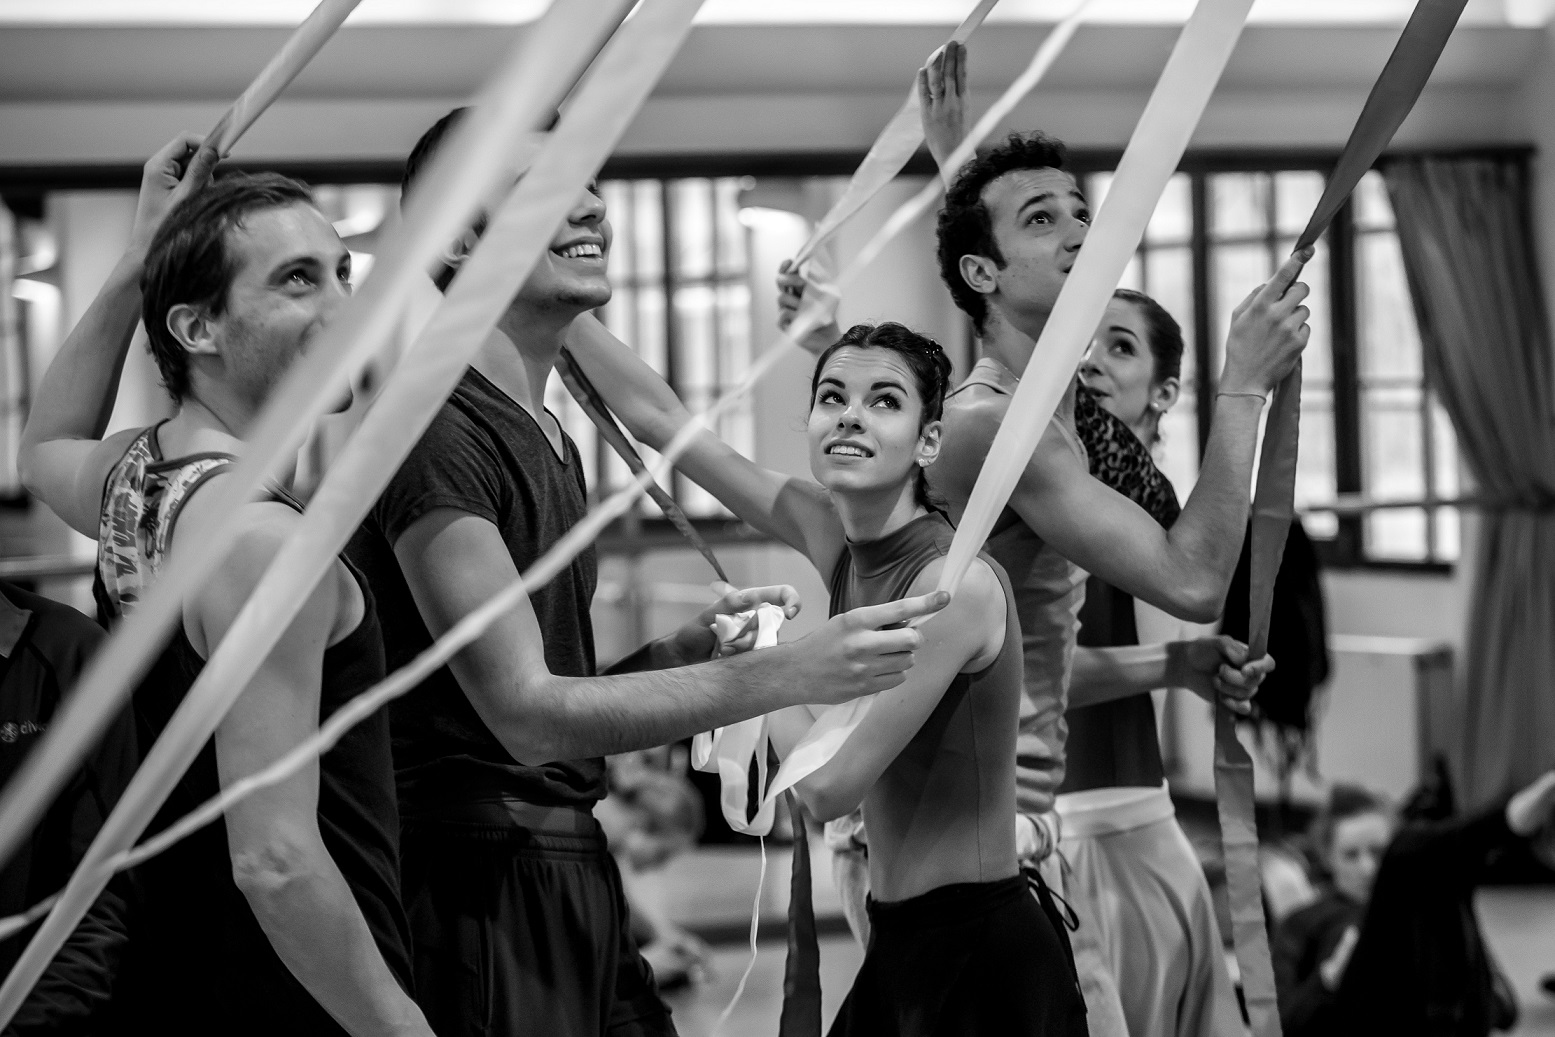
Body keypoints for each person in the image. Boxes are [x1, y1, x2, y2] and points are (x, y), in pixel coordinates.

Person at [345, 110, 949, 1037]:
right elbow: (524, 715)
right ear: (460, 237)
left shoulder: (546, 432)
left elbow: (544, 701)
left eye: (589, 182)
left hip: (563, 859)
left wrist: (681, 651)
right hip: (474, 876)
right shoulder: (435, 432)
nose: (592, 205)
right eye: (547, 187)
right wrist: (788, 672)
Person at [775, 40, 1307, 1032]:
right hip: (960, 849)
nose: (1079, 231)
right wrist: (1243, 382)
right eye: (1044, 218)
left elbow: (996, 306)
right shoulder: (996, 422)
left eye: (1080, 213)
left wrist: (962, 164)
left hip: (1016, 833)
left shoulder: (1064, 414)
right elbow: (1192, 578)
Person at [569, 316, 1095, 1034]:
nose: (850, 415)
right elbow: (662, 420)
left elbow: (829, 785)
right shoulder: (834, 533)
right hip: (900, 934)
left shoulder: (951, 588)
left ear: (928, 441)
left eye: (884, 401)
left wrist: (757, 662)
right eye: (832, 397)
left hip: (979, 951)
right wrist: (546, 292)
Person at [17, 140, 431, 1035]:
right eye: (297, 280)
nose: (345, 306)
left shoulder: (141, 482)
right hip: (292, 999)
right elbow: (274, 861)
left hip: (182, 975)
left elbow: (44, 445)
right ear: (197, 329)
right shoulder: (259, 541)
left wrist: (141, 254)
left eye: (342, 272)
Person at [1053, 288, 1246, 1037]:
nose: (1090, 361)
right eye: (1085, 343)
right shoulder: (1062, 498)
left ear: (1163, 393)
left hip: (1116, 839)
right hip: (1061, 836)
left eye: (1120, 346)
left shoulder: (1158, 526)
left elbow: (1049, 675)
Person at [1275, 773, 1555, 1036]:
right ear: (1326, 857)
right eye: (1351, 855)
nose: (1367, 868)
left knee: (1441, 874)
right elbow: (1279, 1023)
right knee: (1418, 857)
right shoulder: (1303, 921)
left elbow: (1505, 1011)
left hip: (1441, 1020)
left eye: (1378, 853)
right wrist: (1328, 978)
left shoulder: (1430, 904)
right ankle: (1508, 820)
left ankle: (1507, 820)